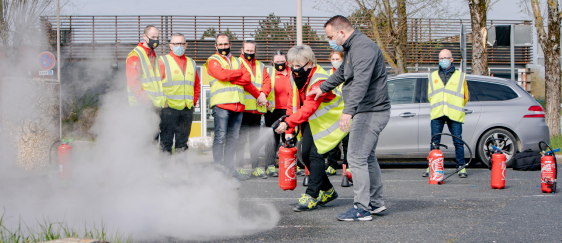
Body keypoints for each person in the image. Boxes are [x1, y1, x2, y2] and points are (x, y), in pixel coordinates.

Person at [309, 15, 391, 221]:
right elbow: (344, 72)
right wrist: (323, 88)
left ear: (342, 33)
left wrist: (349, 111)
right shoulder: (354, 48)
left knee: (355, 157)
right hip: (369, 110)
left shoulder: (363, 48)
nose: (331, 41)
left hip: (369, 111)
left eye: (331, 36)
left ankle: (362, 208)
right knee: (367, 157)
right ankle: (376, 203)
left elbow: (361, 82)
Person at [274, 45, 346, 212]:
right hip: (310, 122)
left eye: (298, 66)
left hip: (327, 122)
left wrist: (288, 123)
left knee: (315, 156)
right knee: (305, 156)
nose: (294, 69)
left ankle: (312, 195)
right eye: (292, 65)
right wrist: (289, 131)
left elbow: (309, 108)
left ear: (310, 63)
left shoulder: (319, 79)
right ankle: (328, 191)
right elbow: (291, 103)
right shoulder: (295, 77)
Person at [205, 33, 266, 179]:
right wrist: (237, 75)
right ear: (216, 46)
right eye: (220, 45)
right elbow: (221, 75)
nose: (223, 47)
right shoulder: (212, 60)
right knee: (220, 137)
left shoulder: (238, 61)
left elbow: (247, 79)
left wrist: (258, 95)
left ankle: (229, 168)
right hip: (221, 105)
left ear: (230, 45)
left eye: (226, 44)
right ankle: (219, 169)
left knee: (233, 139)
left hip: (238, 106)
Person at [422, 49, 469, 178]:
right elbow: (430, 95)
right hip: (438, 113)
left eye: (446, 58)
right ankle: (432, 166)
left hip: (454, 113)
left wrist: (456, 106)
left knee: (458, 142)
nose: (443, 60)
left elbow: (465, 96)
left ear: (452, 59)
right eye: (441, 58)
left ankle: (461, 167)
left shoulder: (460, 76)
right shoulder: (433, 76)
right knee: (434, 141)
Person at [263, 50, 306, 177]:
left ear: (286, 61)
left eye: (282, 61)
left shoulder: (292, 73)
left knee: (289, 138)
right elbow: (264, 89)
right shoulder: (269, 73)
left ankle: (293, 165)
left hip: (289, 111)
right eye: (277, 62)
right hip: (272, 111)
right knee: (271, 139)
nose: (280, 64)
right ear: (273, 62)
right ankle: (270, 166)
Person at [156, 33, 200, 154]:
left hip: (186, 109)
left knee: (182, 143)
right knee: (166, 141)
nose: (179, 46)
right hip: (168, 109)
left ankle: (180, 171)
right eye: (176, 43)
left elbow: (196, 85)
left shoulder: (191, 62)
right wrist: (162, 101)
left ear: (186, 45)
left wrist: (194, 101)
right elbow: (156, 84)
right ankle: (165, 171)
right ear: (171, 45)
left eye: (181, 43)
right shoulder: (163, 61)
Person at [235, 40, 271, 179]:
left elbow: (267, 82)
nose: (249, 53)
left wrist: (263, 94)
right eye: (247, 50)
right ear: (242, 50)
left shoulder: (261, 66)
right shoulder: (237, 63)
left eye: (252, 51)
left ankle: (255, 167)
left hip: (257, 110)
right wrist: (258, 94)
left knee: (255, 141)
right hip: (243, 109)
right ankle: (240, 167)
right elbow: (244, 82)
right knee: (241, 140)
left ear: (255, 51)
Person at [125, 25, 165, 108]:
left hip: (154, 106)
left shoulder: (155, 57)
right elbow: (133, 83)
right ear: (144, 37)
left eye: (157, 37)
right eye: (153, 37)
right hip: (141, 107)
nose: (155, 40)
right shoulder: (135, 56)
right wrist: (147, 103)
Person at [324, 50, 348, 176]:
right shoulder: (327, 74)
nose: (335, 61)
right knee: (333, 141)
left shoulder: (348, 73)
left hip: (346, 111)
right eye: (333, 58)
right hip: (332, 112)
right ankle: (332, 165)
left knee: (346, 141)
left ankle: (347, 165)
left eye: (338, 59)